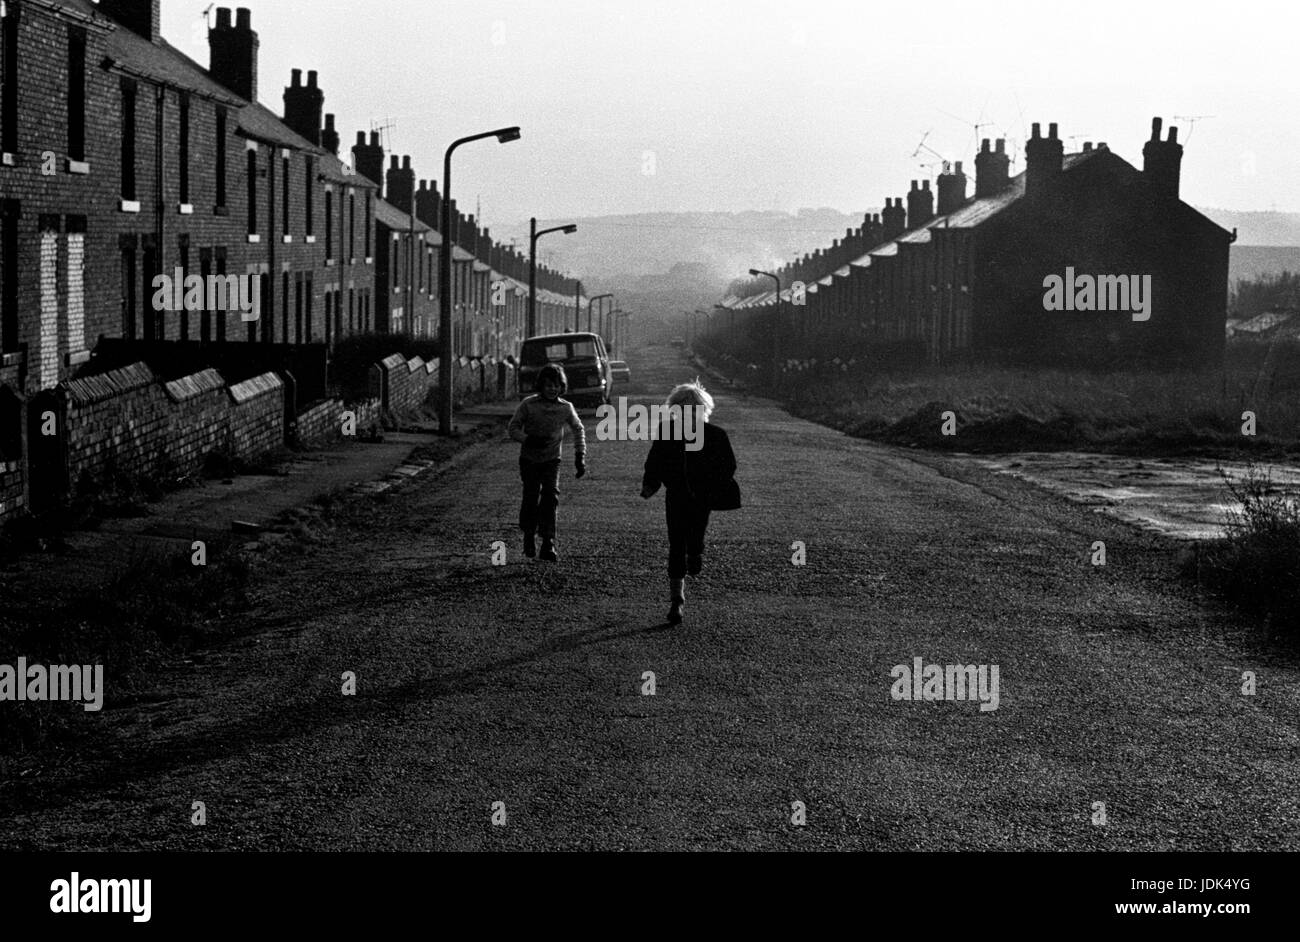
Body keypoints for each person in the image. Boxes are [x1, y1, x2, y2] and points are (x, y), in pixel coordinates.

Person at [640, 380, 737, 625]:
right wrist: (650, 483)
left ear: (704, 410)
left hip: (702, 497)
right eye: (683, 408)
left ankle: (695, 553)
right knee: (676, 544)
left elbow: (728, 465)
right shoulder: (666, 432)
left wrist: (716, 484)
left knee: (694, 538)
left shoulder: (715, 435)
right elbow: (655, 460)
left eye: (694, 407)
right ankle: (677, 601)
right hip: (676, 495)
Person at [508, 364, 587, 562]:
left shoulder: (565, 408)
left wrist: (580, 456)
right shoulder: (528, 405)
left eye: (557, 385)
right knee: (531, 496)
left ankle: (548, 541)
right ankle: (528, 534)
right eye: (549, 385)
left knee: (550, 497)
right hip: (529, 460)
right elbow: (513, 428)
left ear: (562, 387)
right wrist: (528, 439)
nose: (553, 389)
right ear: (541, 385)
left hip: (552, 460)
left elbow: (578, 429)